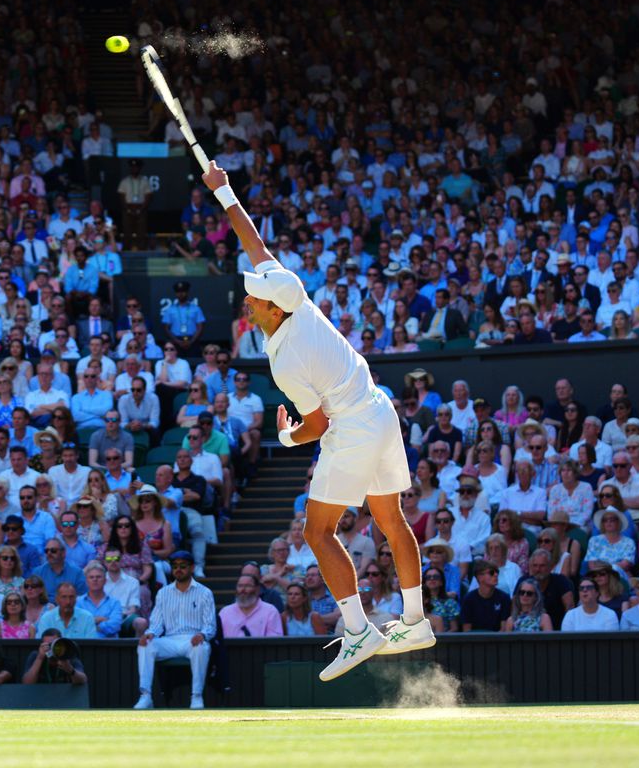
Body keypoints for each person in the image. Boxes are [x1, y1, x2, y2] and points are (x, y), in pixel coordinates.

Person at [201, 161, 426, 680]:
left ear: (271, 310)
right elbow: (254, 243)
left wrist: (285, 434)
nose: (248, 299)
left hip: (349, 427)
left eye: (254, 299)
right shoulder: (291, 293)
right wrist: (225, 191)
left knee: (317, 531)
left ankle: (358, 630)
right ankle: (415, 621)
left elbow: (318, 426)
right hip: (380, 409)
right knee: (390, 519)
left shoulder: (284, 358)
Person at [133, 550, 215, 710]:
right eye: (175, 566)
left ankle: (197, 696)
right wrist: (150, 633)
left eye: (183, 566)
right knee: (145, 644)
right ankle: (145, 695)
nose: (178, 569)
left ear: (191, 568)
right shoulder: (163, 593)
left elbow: (210, 625)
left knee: (201, 647)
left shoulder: (205, 593)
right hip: (169, 640)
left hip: (192, 640)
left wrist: (202, 634)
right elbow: (156, 623)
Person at [220, 572, 283, 637]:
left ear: (258, 589)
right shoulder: (225, 612)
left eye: (248, 586)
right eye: (240, 586)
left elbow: (274, 642)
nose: (243, 589)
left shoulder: (270, 611)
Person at [21, 628, 88, 685]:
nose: (52, 648)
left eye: (55, 644)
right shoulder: (36, 656)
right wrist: (40, 658)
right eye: (48, 645)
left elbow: (83, 680)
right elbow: (27, 683)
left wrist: (70, 670)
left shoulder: (68, 655)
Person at [460, 560, 511, 632]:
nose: (496, 575)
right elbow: (467, 630)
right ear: (480, 577)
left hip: (498, 641)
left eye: (497, 572)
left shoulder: (504, 598)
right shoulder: (468, 599)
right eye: (491, 572)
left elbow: (503, 629)